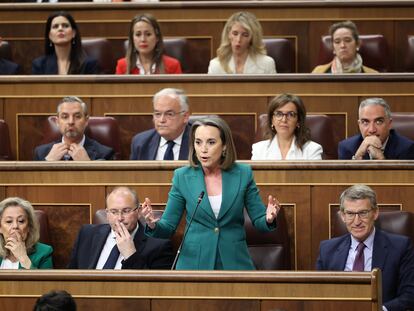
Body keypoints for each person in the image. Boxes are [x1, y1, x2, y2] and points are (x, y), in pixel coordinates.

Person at [141, 116, 280, 270]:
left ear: (225, 146)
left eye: (211, 142)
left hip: (234, 262)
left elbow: (259, 220)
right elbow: (168, 227)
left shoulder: (243, 173)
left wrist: (268, 218)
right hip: (193, 264)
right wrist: (152, 224)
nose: (203, 149)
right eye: (198, 142)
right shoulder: (182, 177)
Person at [316, 184, 414, 311]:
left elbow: (409, 295)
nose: (357, 221)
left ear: (375, 213)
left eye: (363, 213)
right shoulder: (327, 249)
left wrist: (379, 310)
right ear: (343, 216)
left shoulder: (400, 247)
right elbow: (319, 295)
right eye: (350, 213)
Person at [68, 187, 174, 269]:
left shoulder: (159, 247)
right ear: (107, 214)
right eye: (114, 212)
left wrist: (130, 254)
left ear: (138, 212)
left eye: (126, 211)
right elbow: (70, 277)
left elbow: (154, 289)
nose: (119, 218)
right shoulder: (87, 234)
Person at [33, 96, 115, 161]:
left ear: (86, 121)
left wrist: (88, 165)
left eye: (77, 116)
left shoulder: (105, 154)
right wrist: (47, 164)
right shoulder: (41, 153)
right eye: (65, 117)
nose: (71, 122)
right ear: (57, 122)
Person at [251, 93, 323, 160]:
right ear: (272, 120)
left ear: (298, 121)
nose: (284, 120)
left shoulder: (312, 150)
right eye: (279, 114)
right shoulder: (258, 149)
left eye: (290, 114)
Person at [338, 97, 414, 159]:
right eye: (365, 122)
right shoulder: (347, 147)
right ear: (359, 124)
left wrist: (381, 159)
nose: (372, 130)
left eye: (378, 122)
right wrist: (357, 158)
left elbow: (403, 178)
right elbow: (344, 177)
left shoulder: (406, 148)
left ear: (389, 124)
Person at [130, 88, 191, 160]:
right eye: (158, 114)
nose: (162, 120)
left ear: (185, 116)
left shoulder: (199, 142)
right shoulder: (140, 142)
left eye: (169, 114)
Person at [207, 11, 276, 74]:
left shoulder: (267, 64)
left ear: (252, 38)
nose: (239, 39)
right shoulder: (215, 65)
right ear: (228, 34)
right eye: (235, 33)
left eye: (245, 35)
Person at [32, 11, 99, 75]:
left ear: (73, 33)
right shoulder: (39, 65)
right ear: (50, 35)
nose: (60, 29)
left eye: (65, 26)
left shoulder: (89, 64)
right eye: (55, 26)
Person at [116, 14, 182, 75]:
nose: (143, 39)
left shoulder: (173, 65)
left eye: (148, 34)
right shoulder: (122, 65)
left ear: (157, 37)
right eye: (138, 34)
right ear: (132, 39)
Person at [0, 197, 53, 269]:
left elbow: (45, 280)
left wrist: (23, 258)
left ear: (29, 226)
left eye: (21, 221)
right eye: (9, 221)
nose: (15, 226)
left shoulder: (44, 252)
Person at [312, 20, 377, 74]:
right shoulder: (318, 72)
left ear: (357, 44)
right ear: (333, 48)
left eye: (347, 40)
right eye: (337, 42)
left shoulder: (373, 74)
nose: (342, 45)